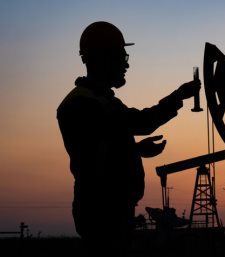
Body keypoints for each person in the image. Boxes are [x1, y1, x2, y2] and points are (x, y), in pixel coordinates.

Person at [57, 21, 200, 256]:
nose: (126, 64)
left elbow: (108, 142)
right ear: (102, 58)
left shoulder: (101, 101)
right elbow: (132, 129)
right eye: (120, 56)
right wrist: (179, 96)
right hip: (103, 214)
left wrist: (134, 148)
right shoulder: (83, 104)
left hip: (111, 212)